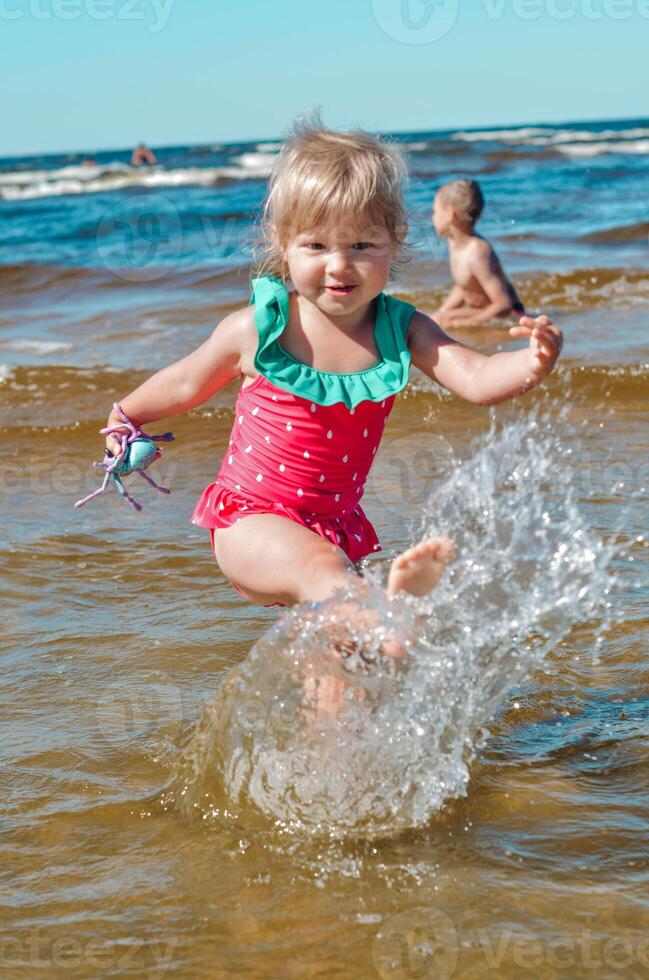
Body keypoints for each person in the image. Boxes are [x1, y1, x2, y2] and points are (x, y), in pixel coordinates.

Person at [103, 119, 562, 631]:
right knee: (333, 581)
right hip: (250, 521)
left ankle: (358, 679)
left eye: (363, 246)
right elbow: (186, 384)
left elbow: (476, 378)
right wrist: (126, 415)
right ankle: (393, 620)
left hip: (334, 534)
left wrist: (531, 361)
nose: (340, 265)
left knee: (342, 658)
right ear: (283, 243)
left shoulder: (402, 329)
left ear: (395, 241)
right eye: (317, 246)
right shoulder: (259, 330)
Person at [433, 178, 525, 329]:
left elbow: (504, 304)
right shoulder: (454, 243)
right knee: (436, 319)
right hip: (482, 311)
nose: (433, 217)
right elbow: (464, 285)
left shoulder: (477, 253)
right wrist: (442, 311)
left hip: (506, 316)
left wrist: (468, 323)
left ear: (450, 214)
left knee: (441, 321)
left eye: (435, 211)